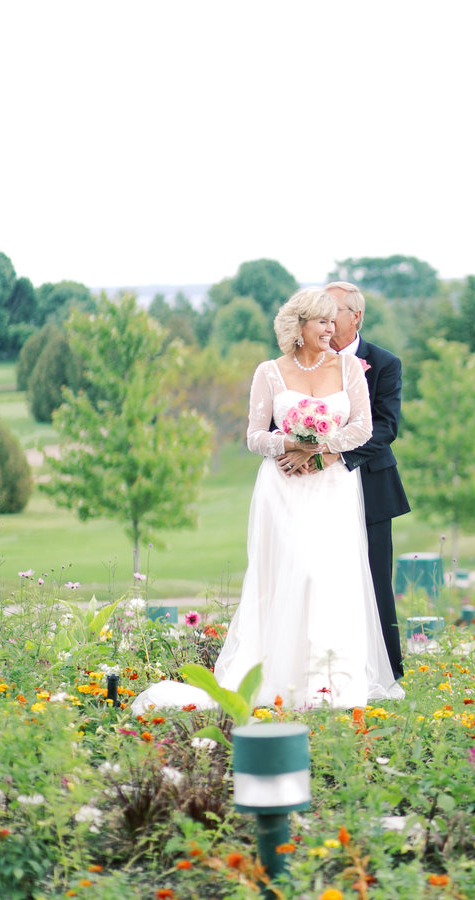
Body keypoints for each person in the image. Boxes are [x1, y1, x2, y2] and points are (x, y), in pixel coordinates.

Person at [132, 287, 404, 713]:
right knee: (287, 574)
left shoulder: (350, 368)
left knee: (327, 576)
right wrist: (288, 443)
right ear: (298, 326)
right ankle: (278, 675)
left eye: (334, 321)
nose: (330, 328)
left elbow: (364, 428)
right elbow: (255, 436)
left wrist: (316, 448)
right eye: (321, 321)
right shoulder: (269, 372)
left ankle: (330, 680)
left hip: (332, 488)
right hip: (282, 489)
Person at [311, 280, 412, 680]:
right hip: (312, 488)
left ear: (356, 316)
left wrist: (338, 454)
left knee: (374, 579)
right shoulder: (305, 361)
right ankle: (324, 668)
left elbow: (386, 427)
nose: (325, 320)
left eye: (332, 311)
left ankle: (387, 669)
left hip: (369, 483)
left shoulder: (384, 363)